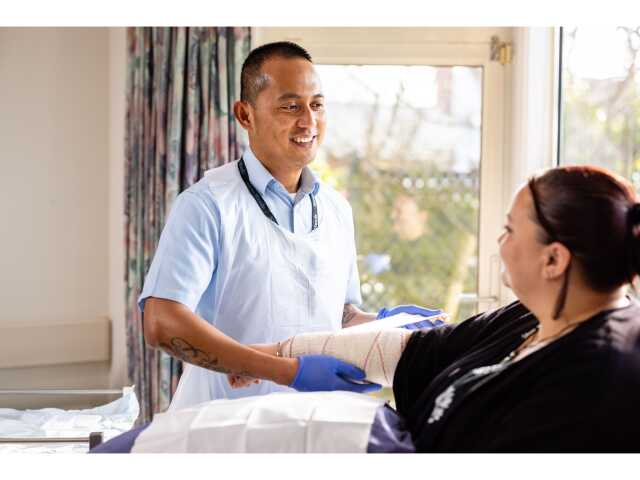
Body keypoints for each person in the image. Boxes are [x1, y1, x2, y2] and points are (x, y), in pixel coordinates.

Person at [231, 164, 640, 452]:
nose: (500, 242)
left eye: (511, 230)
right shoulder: (532, 317)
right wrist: (267, 357)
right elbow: (413, 351)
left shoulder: (598, 375)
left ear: (554, 260)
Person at [139, 40, 435, 410]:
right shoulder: (206, 205)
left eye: (317, 105)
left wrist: (385, 325)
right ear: (245, 115)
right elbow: (162, 323)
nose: (308, 121)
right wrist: (287, 371)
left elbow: (336, 314)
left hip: (309, 426)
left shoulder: (336, 210)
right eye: (290, 106)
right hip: (221, 430)